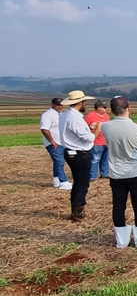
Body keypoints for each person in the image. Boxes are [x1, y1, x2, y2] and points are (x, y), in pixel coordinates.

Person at [101, 96, 137, 248]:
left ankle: (121, 240)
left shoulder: (106, 127)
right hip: (136, 172)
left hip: (116, 174)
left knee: (118, 206)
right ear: (128, 108)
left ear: (111, 110)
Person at [58, 90, 99, 221]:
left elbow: (77, 131)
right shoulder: (75, 118)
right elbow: (89, 138)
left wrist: (88, 127)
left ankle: (75, 210)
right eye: (84, 101)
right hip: (79, 154)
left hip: (70, 152)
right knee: (82, 184)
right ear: (80, 102)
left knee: (78, 183)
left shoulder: (66, 115)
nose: (85, 103)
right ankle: (78, 211)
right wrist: (98, 129)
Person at [40, 97, 72, 190]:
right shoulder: (47, 115)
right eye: (58, 105)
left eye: (61, 105)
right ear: (53, 104)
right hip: (53, 142)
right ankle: (63, 182)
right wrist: (52, 141)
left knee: (58, 162)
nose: (60, 107)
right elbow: (44, 129)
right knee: (59, 161)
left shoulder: (61, 114)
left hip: (61, 141)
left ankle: (56, 180)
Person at [84, 100, 111, 180]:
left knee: (105, 158)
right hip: (96, 141)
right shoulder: (90, 116)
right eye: (104, 107)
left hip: (106, 140)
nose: (106, 109)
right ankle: (92, 175)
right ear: (99, 108)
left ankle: (104, 173)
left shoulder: (106, 116)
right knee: (95, 159)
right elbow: (85, 128)